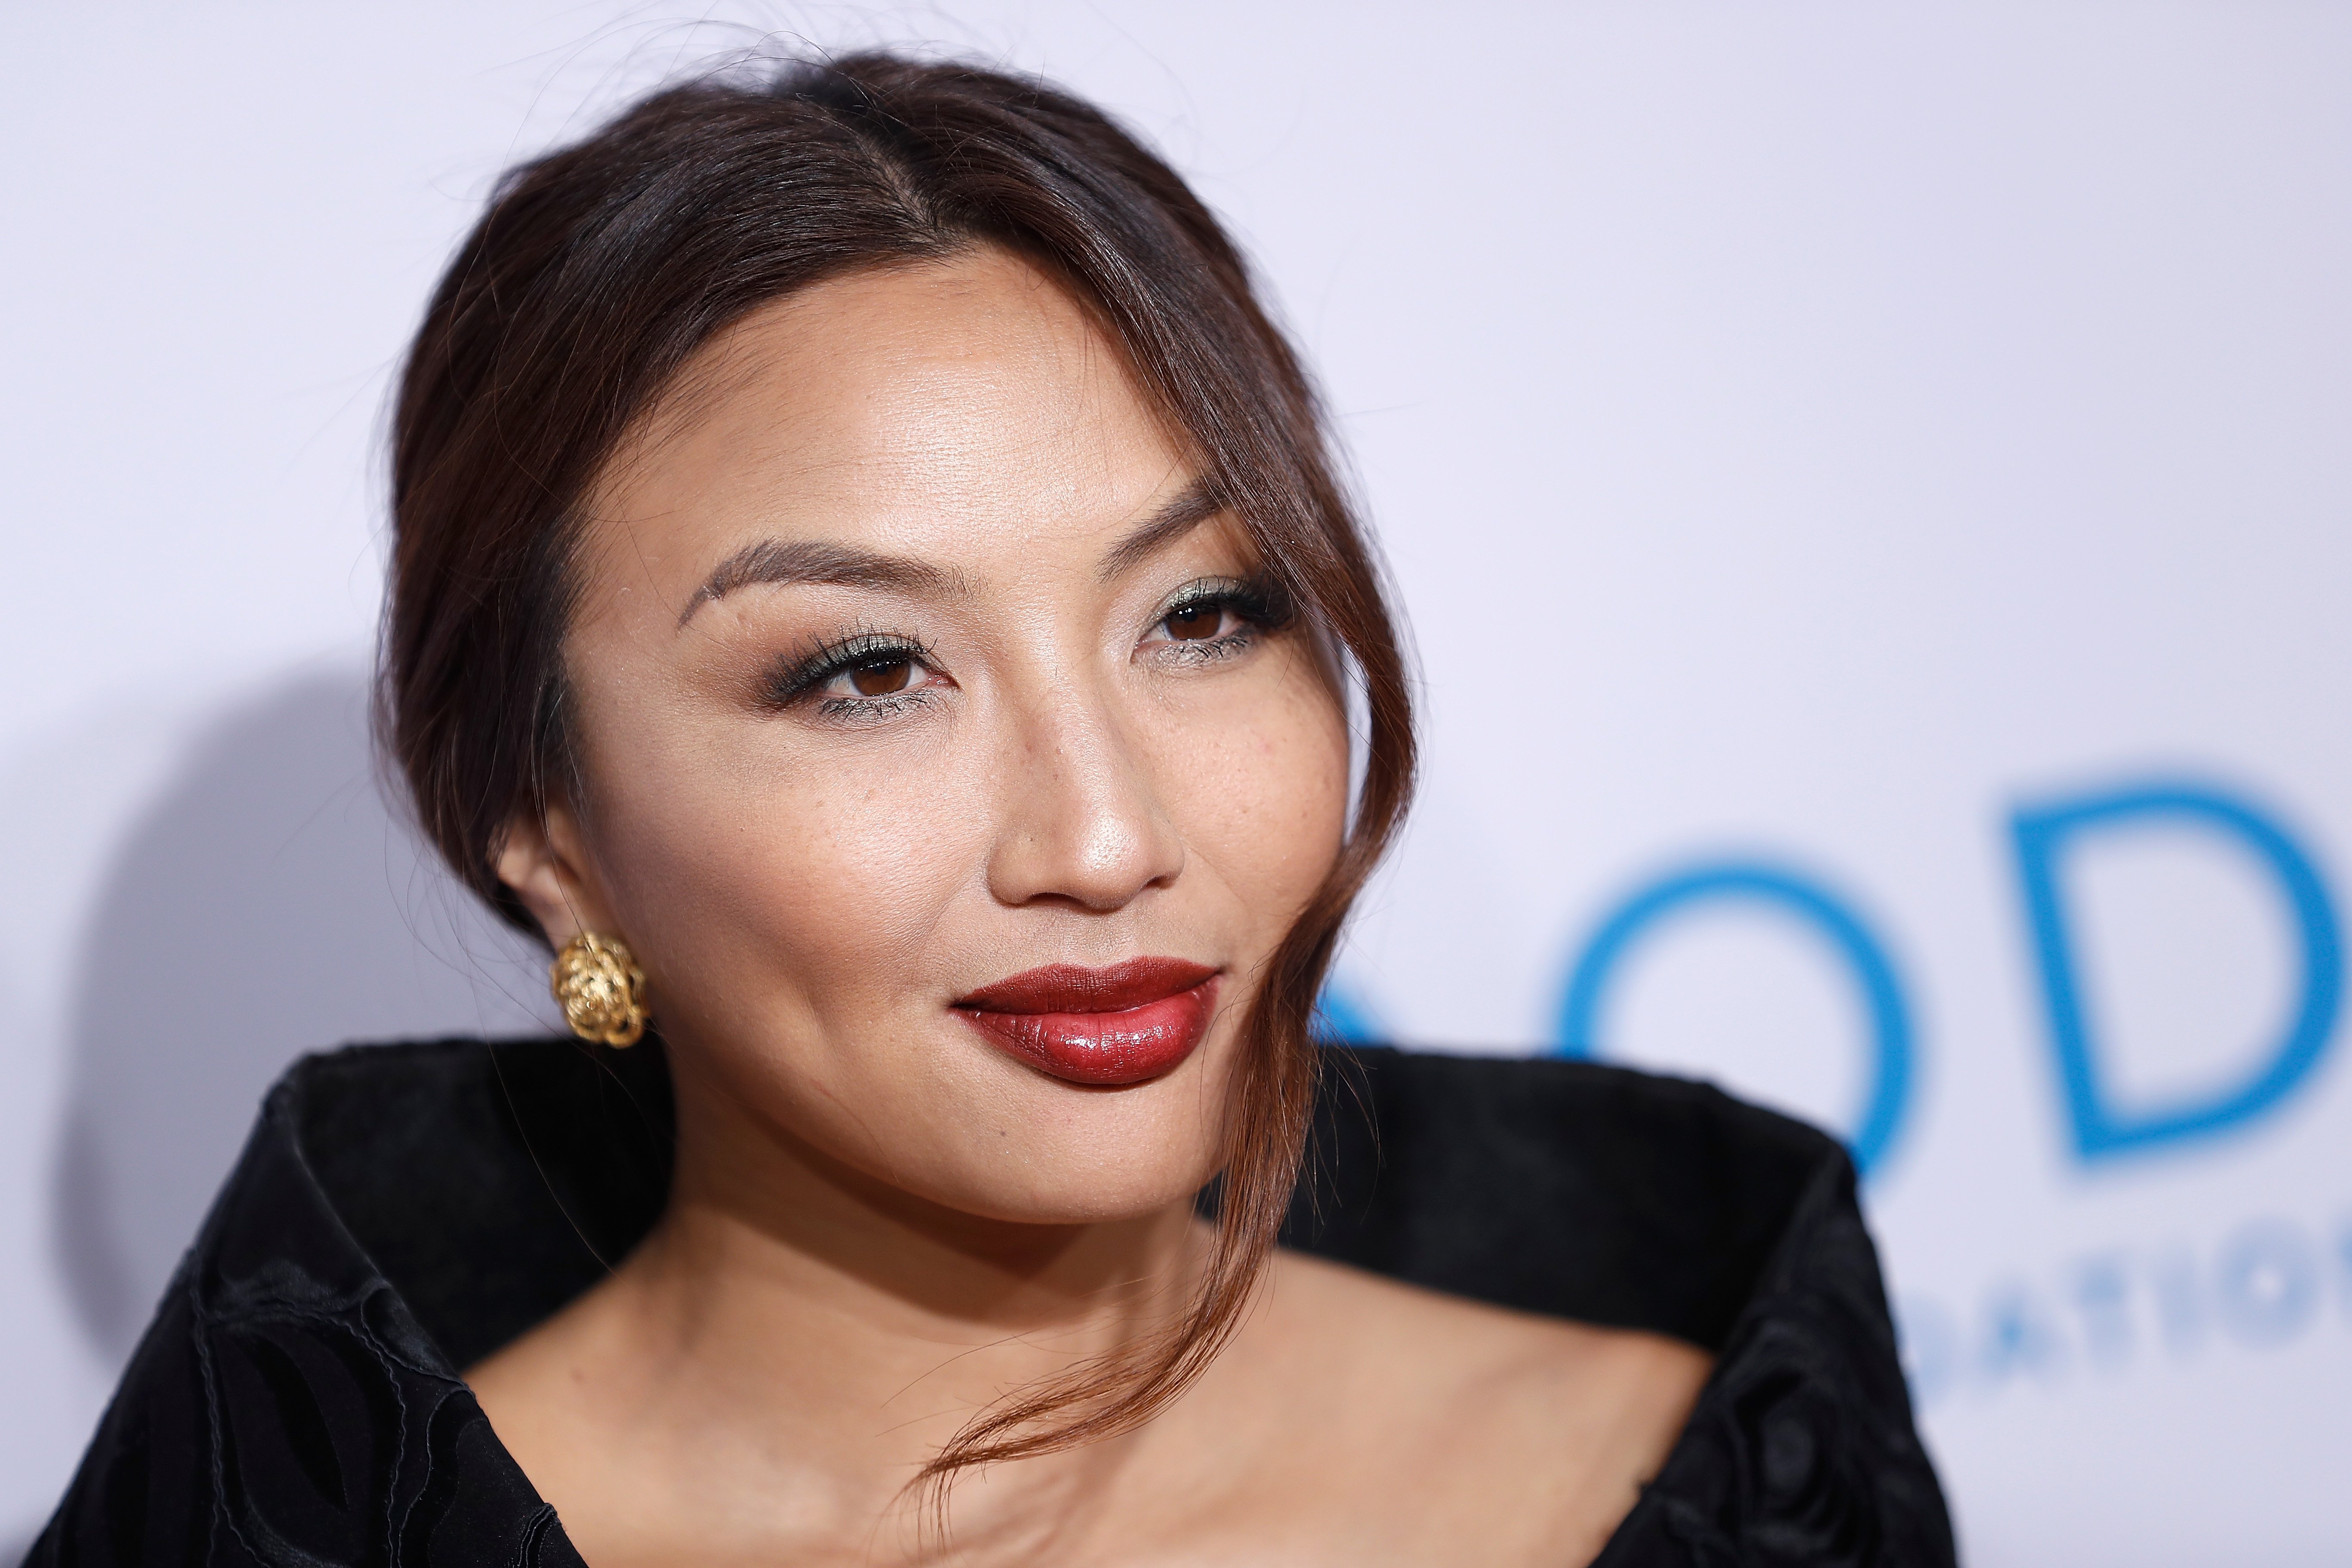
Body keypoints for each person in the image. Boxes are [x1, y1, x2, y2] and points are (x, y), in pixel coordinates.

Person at [31, 53, 1953, 1568]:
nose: (1106, 835)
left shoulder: (1707, 1465)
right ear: (551, 828)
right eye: (867, 671)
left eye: (1204, 617)